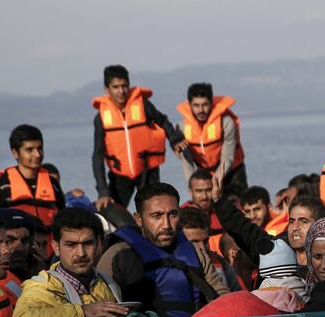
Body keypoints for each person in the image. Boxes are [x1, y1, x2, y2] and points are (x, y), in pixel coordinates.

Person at [97, 182, 228, 317]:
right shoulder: (118, 255)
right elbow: (102, 310)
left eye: (173, 215)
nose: (166, 225)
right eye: (157, 216)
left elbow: (222, 297)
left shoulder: (194, 252)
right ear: (139, 220)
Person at [11, 208, 127, 317]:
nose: (81, 253)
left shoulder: (108, 283)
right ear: (56, 247)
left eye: (87, 243)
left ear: (99, 245)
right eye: (71, 245)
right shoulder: (42, 287)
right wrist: (82, 311)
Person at [92, 64, 186, 210]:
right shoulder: (101, 118)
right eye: (116, 87)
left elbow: (163, 121)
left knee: (154, 210)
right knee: (110, 212)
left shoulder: (143, 105)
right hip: (119, 176)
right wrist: (103, 191)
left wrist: (175, 140)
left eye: (124, 86)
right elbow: (97, 156)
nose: (121, 91)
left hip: (147, 171)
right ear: (107, 89)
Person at [176, 82, 248, 199]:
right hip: (205, 174)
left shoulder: (226, 123)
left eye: (205, 105)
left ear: (212, 103)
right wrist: (193, 184)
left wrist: (216, 182)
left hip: (232, 171)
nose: (201, 110)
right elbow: (186, 161)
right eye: (196, 105)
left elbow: (227, 158)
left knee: (236, 202)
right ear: (189, 105)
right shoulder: (182, 128)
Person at [0, 124, 63, 226]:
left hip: (48, 236)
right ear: (15, 153)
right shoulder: (2, 185)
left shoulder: (53, 183)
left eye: (40, 148)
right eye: (30, 150)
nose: (37, 154)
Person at [182, 169, 225, 253]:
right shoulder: (179, 218)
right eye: (199, 191)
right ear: (190, 191)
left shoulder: (224, 216)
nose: (204, 196)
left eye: (208, 190)